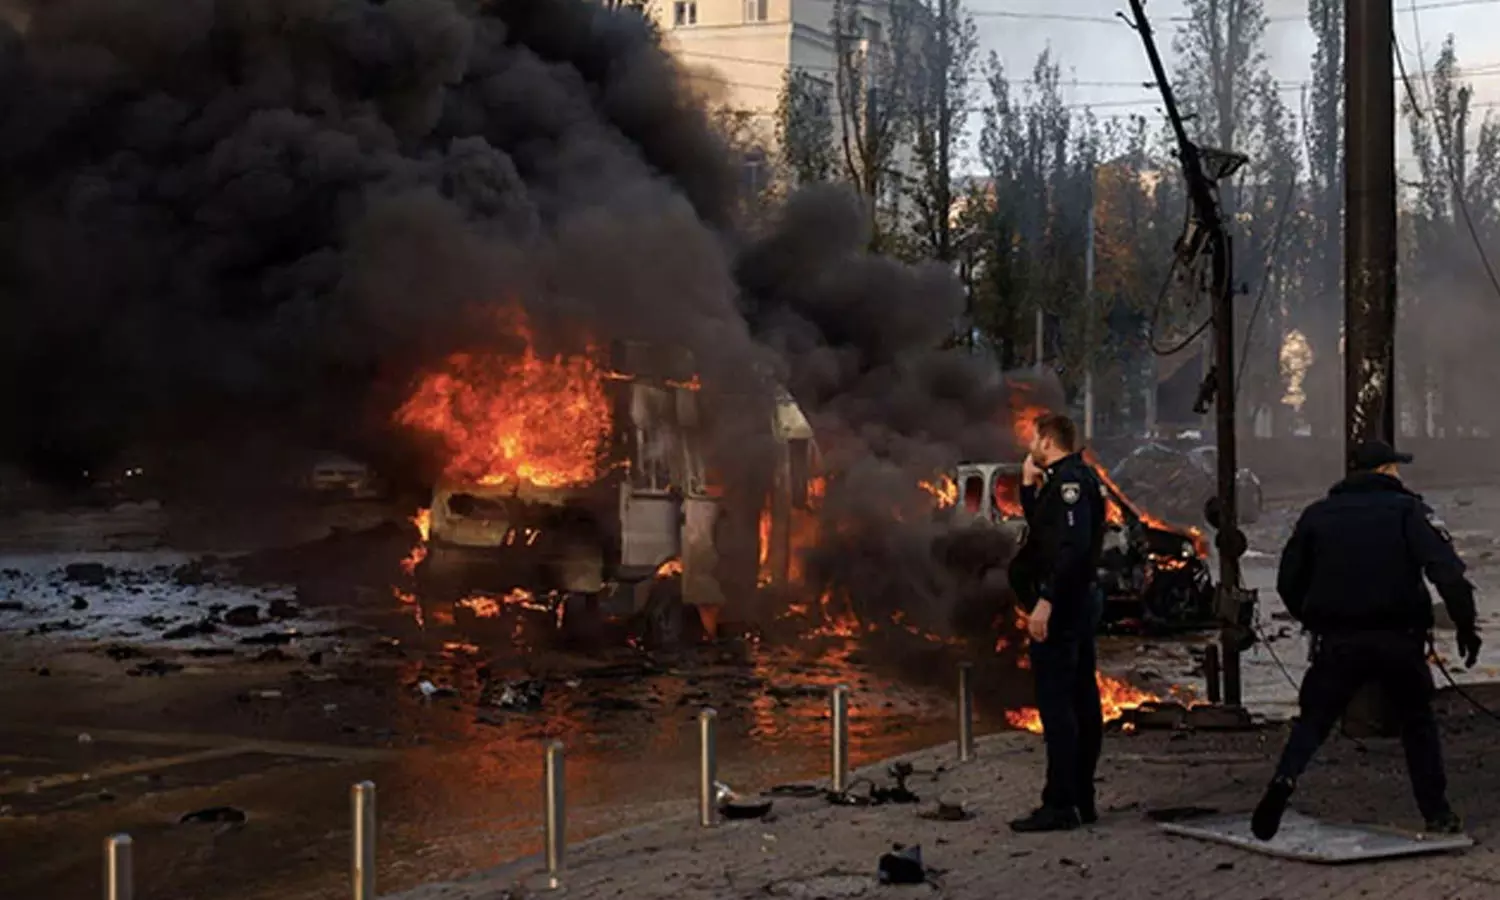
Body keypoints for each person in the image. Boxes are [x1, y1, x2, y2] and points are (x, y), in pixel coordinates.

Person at [1251, 439, 1482, 840]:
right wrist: (1466, 627)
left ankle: (1284, 780)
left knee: (1314, 721)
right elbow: (1448, 575)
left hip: (1338, 640)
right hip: (1399, 640)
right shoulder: (1410, 511)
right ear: (1386, 471)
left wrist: (1317, 618)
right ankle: (1437, 813)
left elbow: (1288, 582)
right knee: (1417, 724)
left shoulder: (1317, 516)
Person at [1008, 412, 1108, 833]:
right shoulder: (1071, 479)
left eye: (1034, 439)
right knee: (1081, 699)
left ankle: (1061, 803)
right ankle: (1081, 798)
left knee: (1060, 707)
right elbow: (1046, 534)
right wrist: (1029, 488)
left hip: (1064, 608)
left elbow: (1071, 549)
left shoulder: (1070, 485)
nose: (1030, 446)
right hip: (1076, 605)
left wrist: (1046, 602)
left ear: (1047, 441)